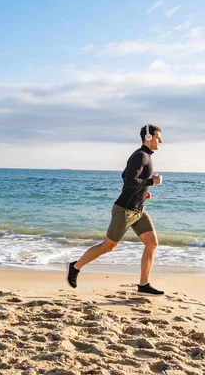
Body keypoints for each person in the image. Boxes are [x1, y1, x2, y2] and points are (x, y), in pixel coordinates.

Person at [66, 124, 164, 296]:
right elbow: (128, 180)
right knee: (108, 246)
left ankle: (143, 285)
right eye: (157, 137)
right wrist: (151, 183)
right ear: (148, 138)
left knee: (152, 243)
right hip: (124, 211)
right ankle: (75, 267)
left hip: (138, 210)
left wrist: (143, 193)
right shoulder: (140, 156)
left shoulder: (146, 156)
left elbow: (126, 176)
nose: (160, 141)